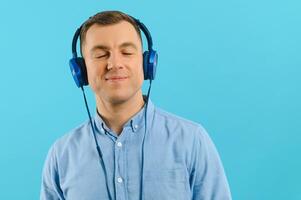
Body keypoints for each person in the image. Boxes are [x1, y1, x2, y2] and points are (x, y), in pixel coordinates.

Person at [40, 10, 232, 200]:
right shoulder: (61, 155)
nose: (114, 64)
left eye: (126, 52)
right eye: (100, 55)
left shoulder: (192, 142)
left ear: (147, 63)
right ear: (81, 70)